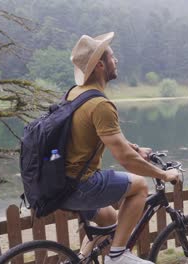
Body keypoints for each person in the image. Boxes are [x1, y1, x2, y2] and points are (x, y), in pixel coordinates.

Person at [61, 32, 181, 264]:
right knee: (138, 186)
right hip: (82, 185)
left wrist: (134, 148)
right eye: (112, 57)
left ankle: (81, 260)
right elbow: (124, 159)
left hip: (63, 183)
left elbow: (107, 138)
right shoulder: (100, 104)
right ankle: (117, 257)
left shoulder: (76, 94)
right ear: (99, 65)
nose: (116, 61)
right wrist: (163, 174)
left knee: (111, 221)